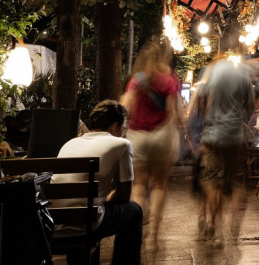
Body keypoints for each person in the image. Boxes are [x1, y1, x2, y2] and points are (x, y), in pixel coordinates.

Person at [53, 100, 142, 265]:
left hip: (55, 224)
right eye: (123, 129)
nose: (123, 133)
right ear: (114, 126)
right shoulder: (122, 144)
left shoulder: (70, 143)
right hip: (86, 225)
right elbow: (124, 195)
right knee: (134, 211)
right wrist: (108, 198)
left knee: (94, 210)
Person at [120, 38, 182, 254]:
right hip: (161, 136)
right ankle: (153, 235)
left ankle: (135, 232)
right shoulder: (168, 80)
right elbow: (173, 113)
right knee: (159, 185)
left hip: (138, 137)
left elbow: (124, 106)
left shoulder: (136, 80)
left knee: (138, 186)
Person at [198, 53, 257, 248]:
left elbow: (206, 101)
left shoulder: (212, 72)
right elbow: (250, 104)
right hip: (234, 135)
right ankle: (234, 227)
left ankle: (216, 227)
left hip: (214, 135)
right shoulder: (242, 75)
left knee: (214, 183)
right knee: (238, 181)